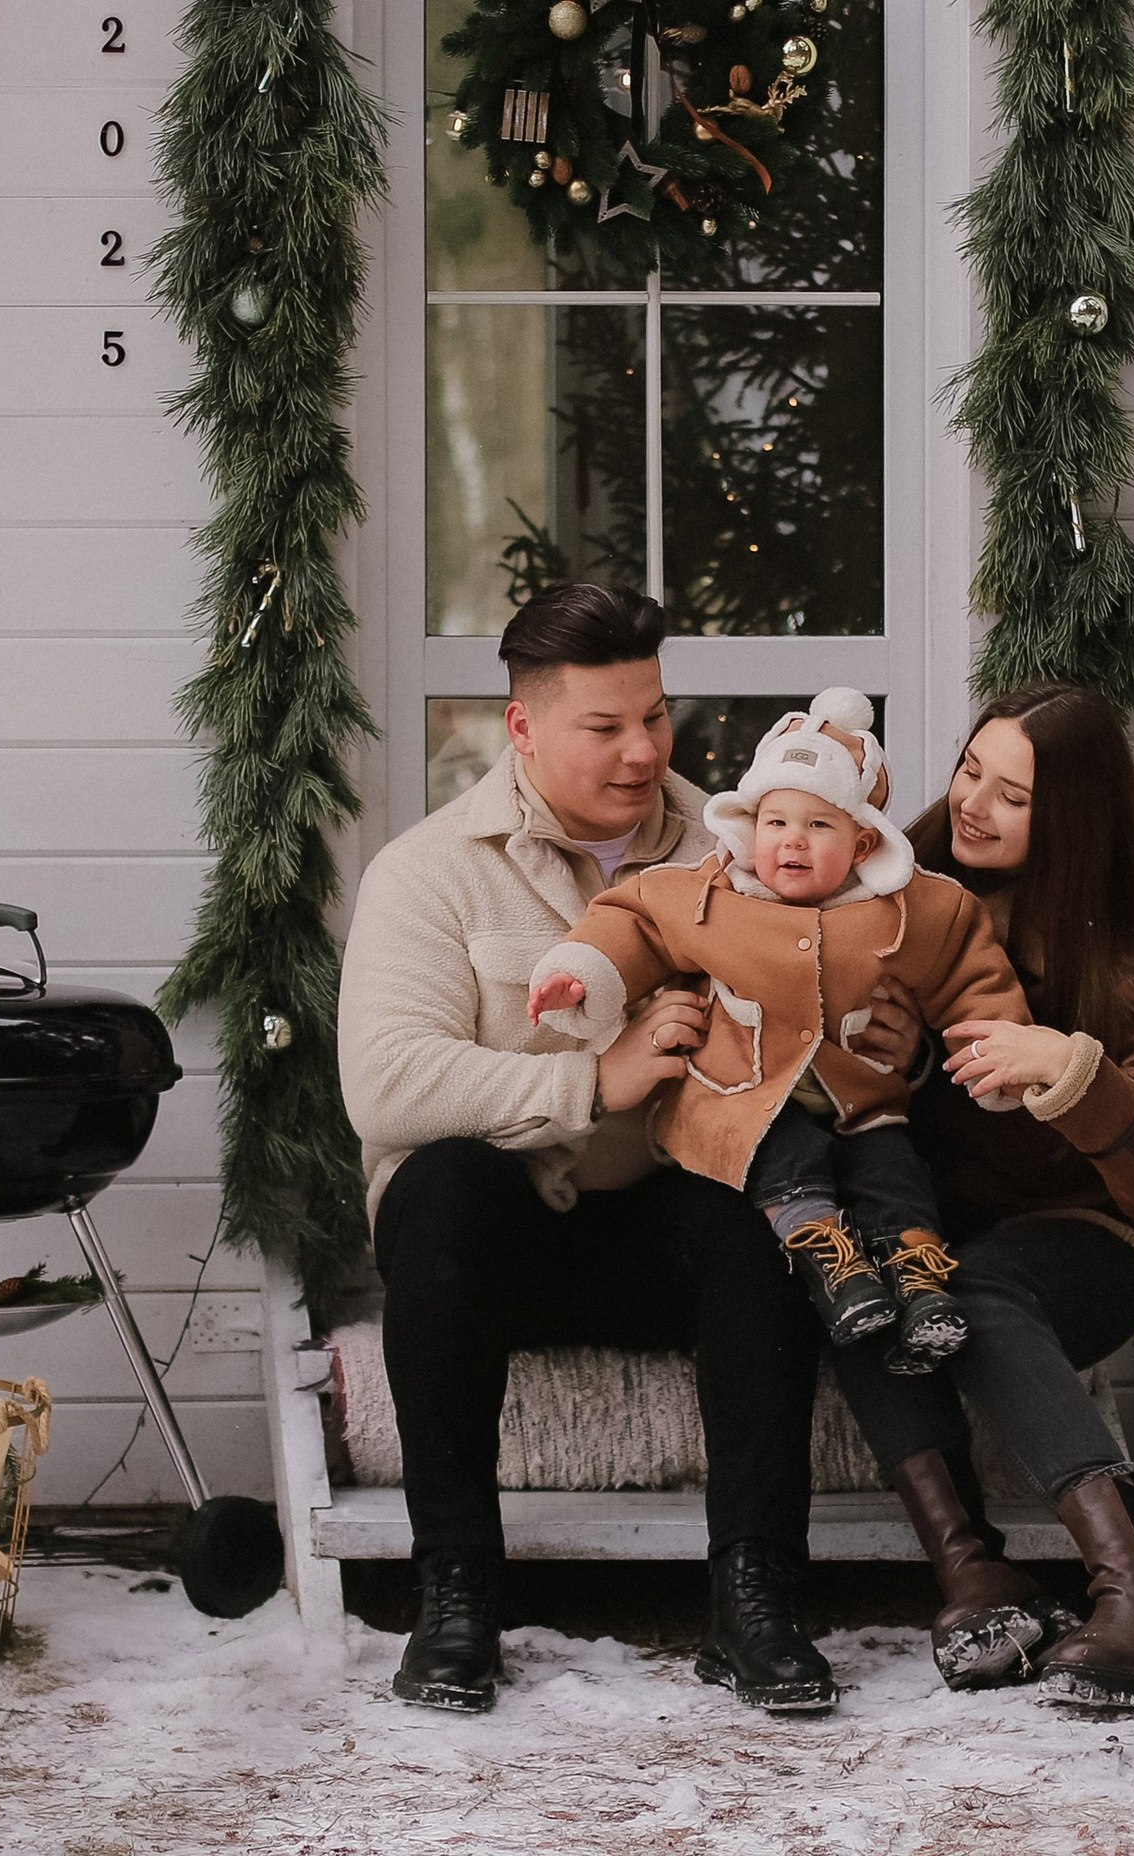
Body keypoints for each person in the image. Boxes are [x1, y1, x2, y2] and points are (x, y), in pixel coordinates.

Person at [336, 584, 836, 1717]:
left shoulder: (738, 855)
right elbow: (386, 1082)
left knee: (759, 1198)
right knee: (444, 1180)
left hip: (661, 1229)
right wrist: (587, 1080)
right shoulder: (428, 871)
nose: (640, 751)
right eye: (603, 727)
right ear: (521, 727)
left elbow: (816, 1011)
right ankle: (455, 1588)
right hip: (492, 1250)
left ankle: (756, 1594)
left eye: (653, 718)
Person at [831, 682, 1134, 1707]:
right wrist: (903, 1059)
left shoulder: (1116, 956)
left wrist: (1070, 1069)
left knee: (970, 1286)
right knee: (859, 1273)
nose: (974, 801)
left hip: (1087, 1241)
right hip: (927, 1225)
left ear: (1068, 815)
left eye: (1011, 794)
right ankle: (975, 1576)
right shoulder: (893, 888)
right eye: (972, 769)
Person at [526, 689, 1031, 1373]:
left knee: (893, 1172)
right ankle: (833, 1267)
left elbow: (970, 972)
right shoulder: (712, 896)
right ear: (747, 827)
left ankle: (919, 1283)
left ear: (862, 841)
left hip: (863, 1102)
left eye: (819, 826)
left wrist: (997, 1052)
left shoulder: (908, 910)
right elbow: (636, 921)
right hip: (746, 1098)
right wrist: (583, 975)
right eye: (776, 821)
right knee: (785, 1156)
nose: (792, 840)